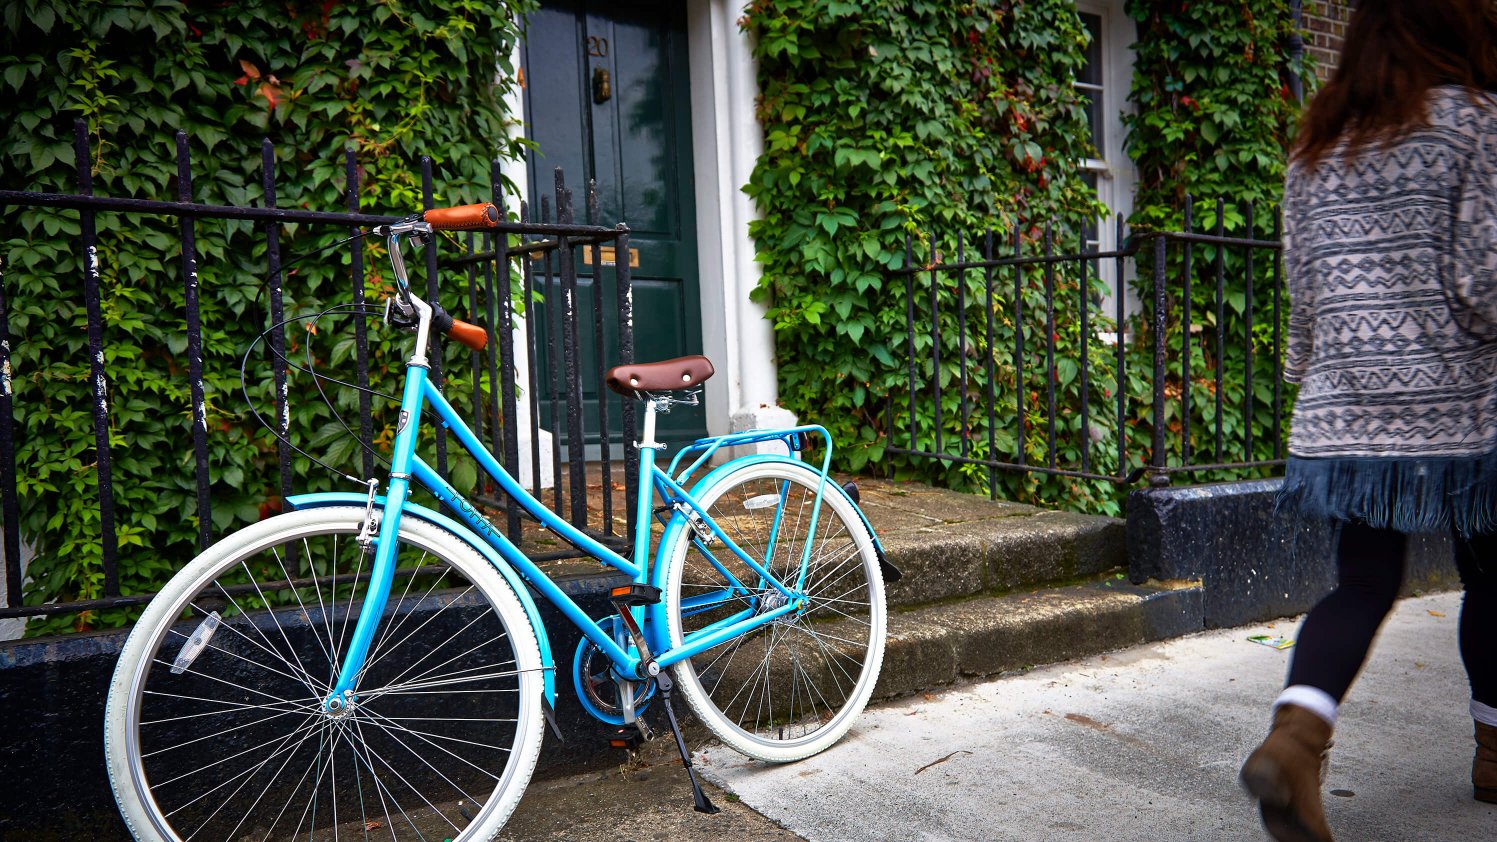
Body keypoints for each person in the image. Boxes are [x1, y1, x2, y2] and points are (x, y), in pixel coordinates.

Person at [1240, 1, 1497, 840]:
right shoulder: (1471, 123)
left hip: (1344, 419)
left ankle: (1293, 737)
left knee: (1361, 583)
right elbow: (1481, 285)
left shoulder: (1317, 147)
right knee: (1492, 579)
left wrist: (1312, 391)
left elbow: (1302, 304)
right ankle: (1494, 747)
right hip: (1463, 417)